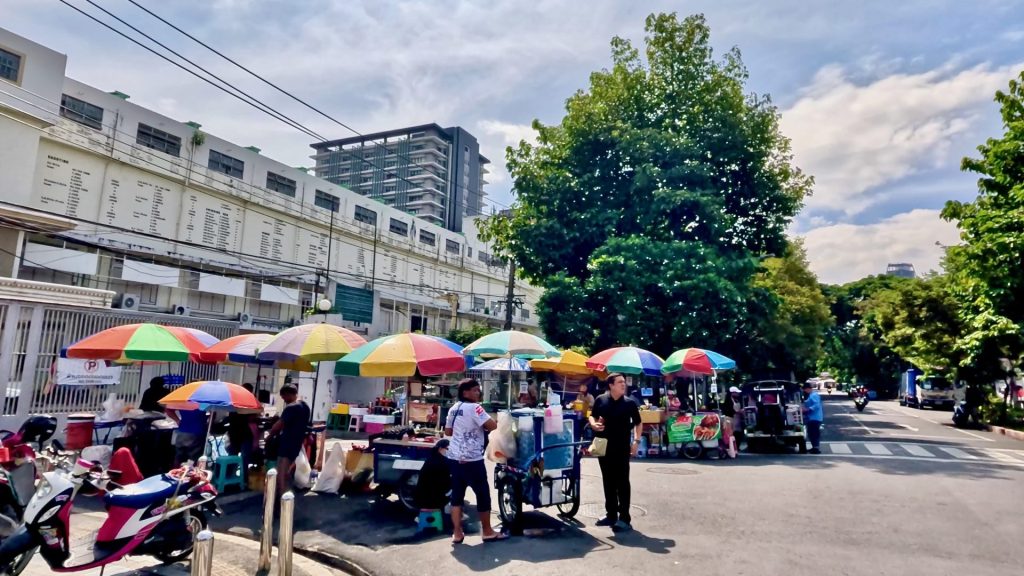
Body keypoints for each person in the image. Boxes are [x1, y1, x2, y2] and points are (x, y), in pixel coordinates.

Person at [444, 378, 507, 544]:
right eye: (475, 390)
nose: (478, 393)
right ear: (465, 393)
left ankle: (457, 533)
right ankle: (487, 531)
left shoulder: (453, 408)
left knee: (457, 497)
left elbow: (448, 432)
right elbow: (492, 426)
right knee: (483, 494)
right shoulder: (475, 408)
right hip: (472, 459)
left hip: (454, 458)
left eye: (478, 390)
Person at [589, 373, 642, 532]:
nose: (623, 384)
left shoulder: (629, 403)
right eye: (619, 382)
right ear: (611, 385)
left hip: (622, 448)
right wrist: (593, 424)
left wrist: (636, 441)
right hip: (603, 447)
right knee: (608, 481)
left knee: (622, 482)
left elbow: (638, 423)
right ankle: (611, 514)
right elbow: (592, 416)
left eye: (624, 382)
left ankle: (624, 518)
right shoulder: (601, 400)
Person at [268, 384, 310, 496]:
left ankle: (282, 495)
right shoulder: (305, 406)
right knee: (287, 469)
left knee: (282, 469)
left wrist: (269, 436)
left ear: (288, 394)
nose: (284, 400)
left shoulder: (291, 407)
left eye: (283, 397)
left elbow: (278, 425)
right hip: (297, 443)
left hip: (287, 443)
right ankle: (286, 492)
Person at [226, 383, 257, 478]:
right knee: (244, 458)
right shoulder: (250, 402)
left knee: (232, 457)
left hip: (234, 433)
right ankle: (243, 479)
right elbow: (252, 418)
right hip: (244, 433)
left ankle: (229, 477)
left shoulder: (234, 401)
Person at [413, 439, 451, 512]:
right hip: (433, 496)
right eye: (448, 449)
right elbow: (443, 480)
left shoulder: (432, 458)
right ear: (440, 448)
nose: (449, 451)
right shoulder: (441, 462)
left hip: (424, 496)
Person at [802, 381, 824, 454]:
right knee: (811, 433)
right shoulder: (811, 395)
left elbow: (816, 405)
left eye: (805, 389)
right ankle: (814, 447)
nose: (804, 391)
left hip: (815, 417)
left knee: (814, 433)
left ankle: (816, 448)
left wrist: (808, 409)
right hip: (811, 417)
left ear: (808, 388)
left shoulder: (814, 395)